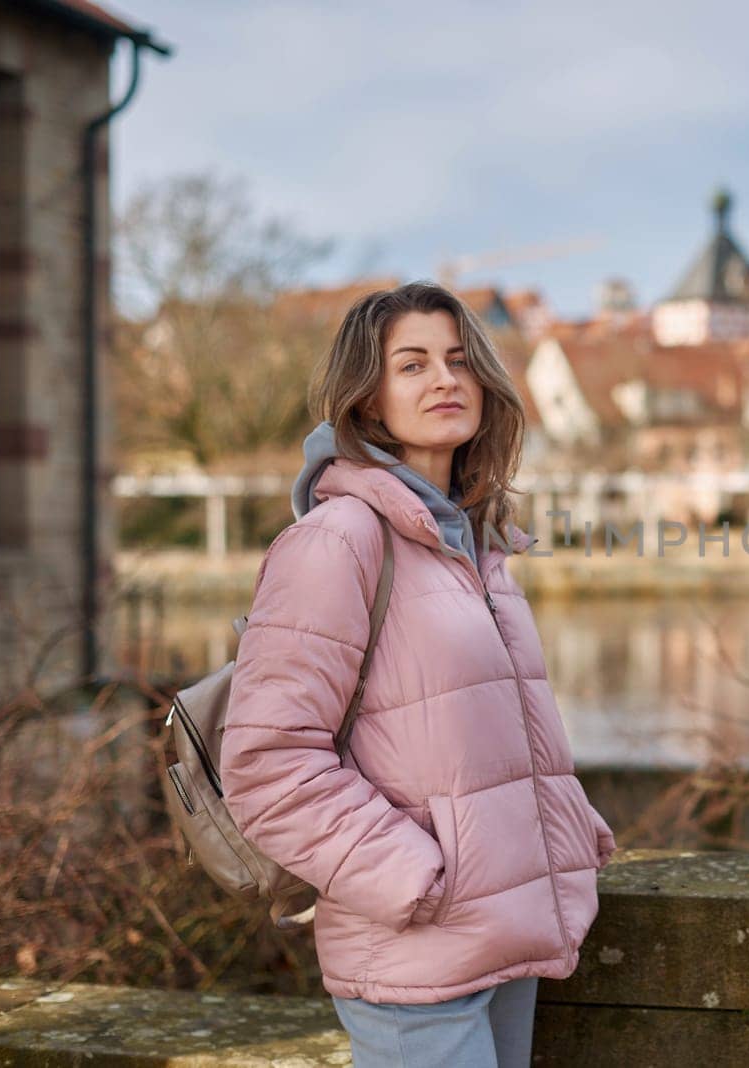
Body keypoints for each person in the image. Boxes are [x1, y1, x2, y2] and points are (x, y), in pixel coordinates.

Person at [219, 281, 617, 1066]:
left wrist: (566, 832)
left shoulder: (479, 542)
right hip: (413, 954)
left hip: (506, 931)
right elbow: (266, 766)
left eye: (461, 360)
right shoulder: (337, 541)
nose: (446, 380)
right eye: (413, 365)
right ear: (365, 401)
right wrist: (415, 878)